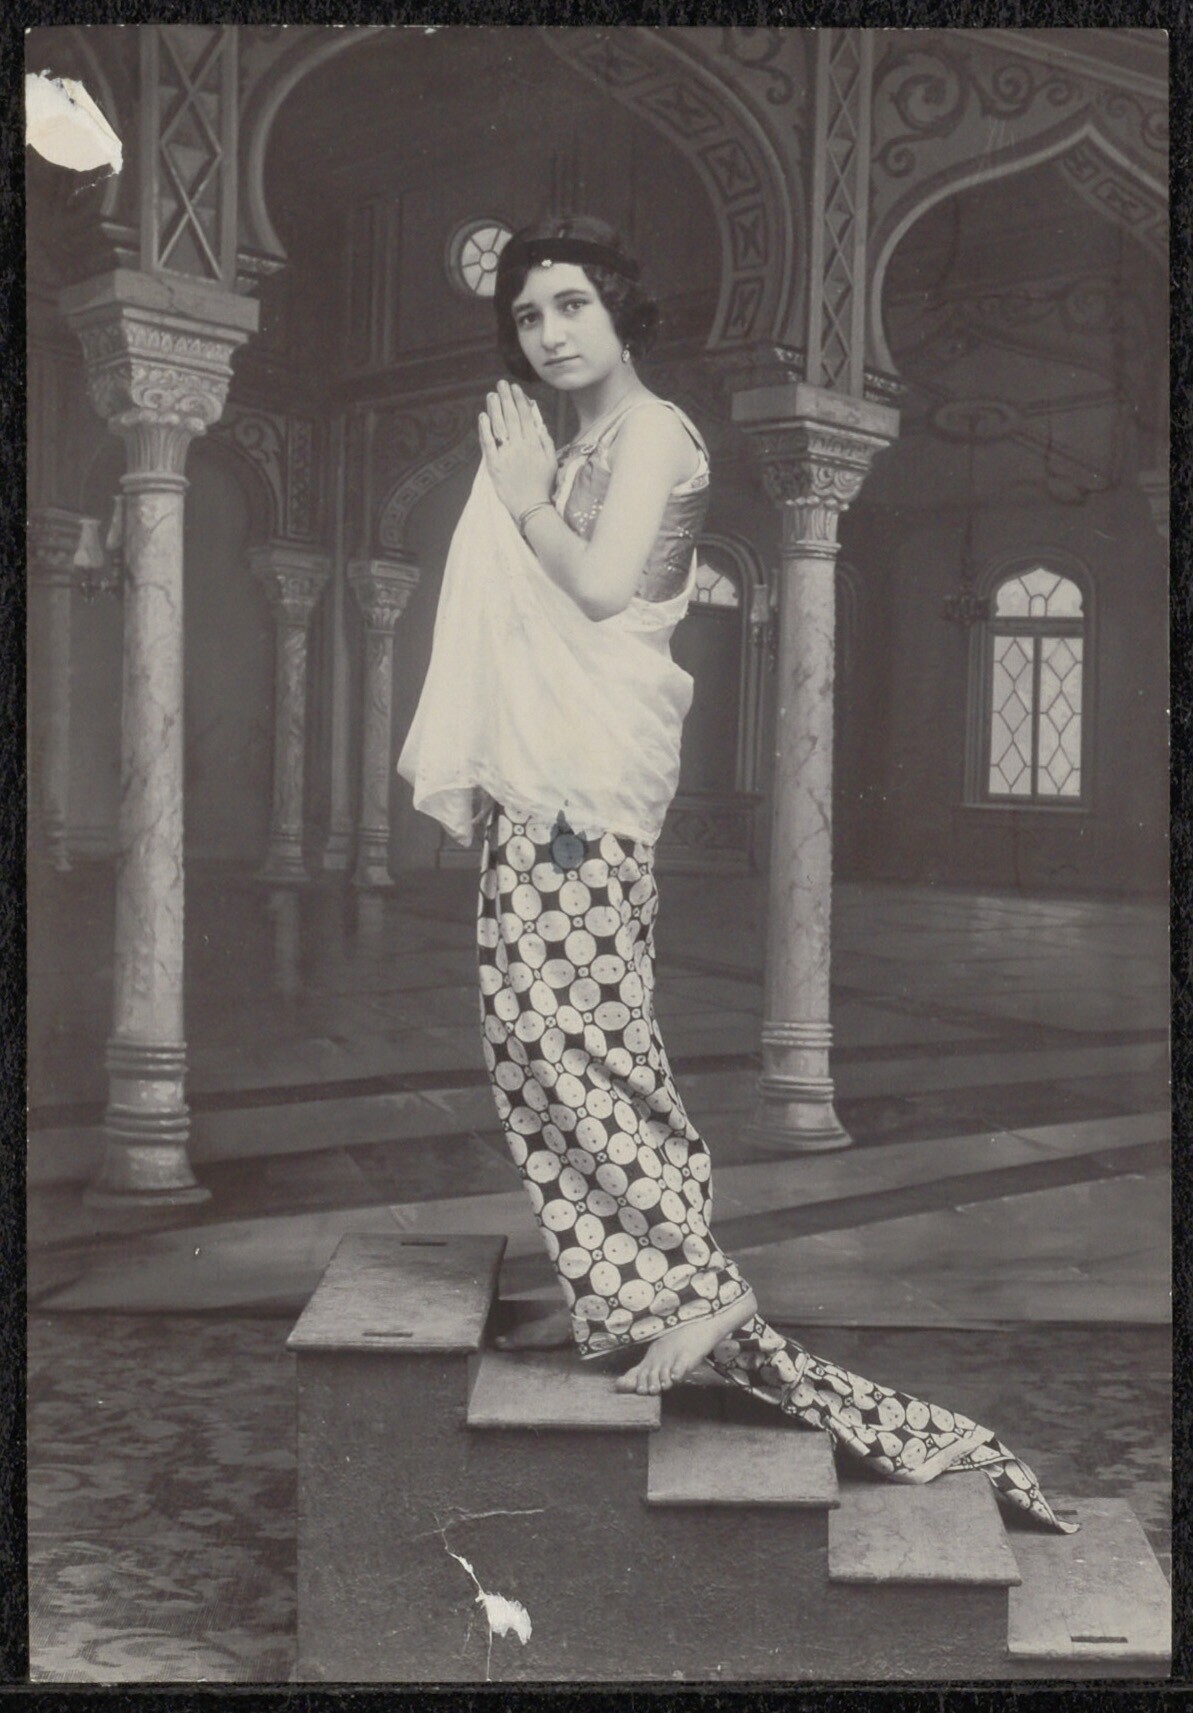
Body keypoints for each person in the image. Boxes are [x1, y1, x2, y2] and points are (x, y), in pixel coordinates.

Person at [397, 215, 1075, 1533]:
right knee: (534, 1036)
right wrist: (528, 491)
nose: (549, 332)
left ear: (621, 313)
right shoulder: (568, 442)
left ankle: (694, 1289)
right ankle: (629, 1290)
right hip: (541, 777)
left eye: (572, 305)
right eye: (529, 315)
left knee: (578, 1035)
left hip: (590, 776)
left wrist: (523, 499)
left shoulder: (651, 434)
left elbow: (600, 590)